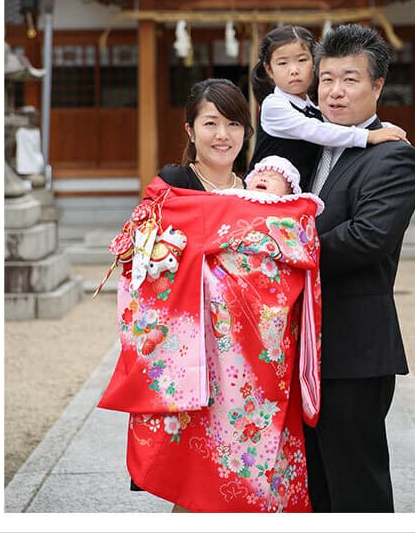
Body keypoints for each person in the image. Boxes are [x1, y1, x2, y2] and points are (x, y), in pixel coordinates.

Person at [98, 79, 323, 512]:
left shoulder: (264, 190)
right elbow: (144, 267)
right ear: (189, 130)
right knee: (196, 473)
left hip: (255, 359)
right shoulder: (172, 186)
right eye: (211, 123)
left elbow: (291, 259)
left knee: (255, 471)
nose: (223, 135)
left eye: (234, 124)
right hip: (193, 357)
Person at [301, 23, 415, 513]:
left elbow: (368, 238)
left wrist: (285, 251)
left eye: (350, 79)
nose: (334, 91)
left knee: (357, 485)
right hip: (304, 346)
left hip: (354, 346)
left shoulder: (393, 156)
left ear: (377, 87)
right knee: (314, 482)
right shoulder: (308, 148)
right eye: (326, 78)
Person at [248, 24, 407, 190]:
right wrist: (369, 136)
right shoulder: (274, 106)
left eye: (302, 60)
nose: (294, 70)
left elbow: (334, 128)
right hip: (264, 192)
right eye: (282, 63)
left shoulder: (311, 109)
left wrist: (386, 129)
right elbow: (316, 130)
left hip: (294, 199)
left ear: (314, 66)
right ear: (269, 70)